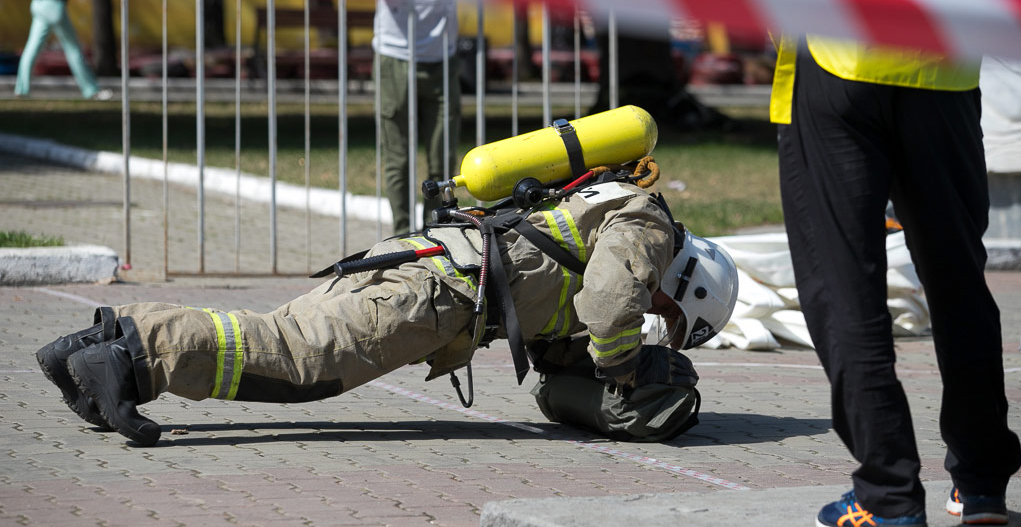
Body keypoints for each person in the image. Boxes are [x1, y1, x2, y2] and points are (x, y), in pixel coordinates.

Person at [35, 176, 739, 448]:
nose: (655, 322)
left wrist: (626, 399)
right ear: (688, 284)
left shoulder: (601, 223)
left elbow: (555, 382)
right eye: (669, 318)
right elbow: (613, 298)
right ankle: (129, 358)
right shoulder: (648, 223)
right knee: (295, 359)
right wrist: (623, 368)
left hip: (426, 274)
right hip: (434, 294)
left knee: (282, 340)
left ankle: (91, 348)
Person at [770, 35, 1021, 527]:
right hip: (944, 65)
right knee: (958, 278)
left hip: (839, 56)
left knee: (844, 283)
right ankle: (981, 482)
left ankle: (887, 492)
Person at [373, 0, 461, 234]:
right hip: (395, 57)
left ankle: (434, 233)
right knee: (398, 160)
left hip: (442, 58)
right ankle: (401, 238)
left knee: (442, 161)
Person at [15, 0, 109, 100]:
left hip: (38, 6)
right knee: (73, 50)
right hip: (54, 7)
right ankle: (91, 90)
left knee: (31, 49)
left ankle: (21, 89)